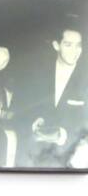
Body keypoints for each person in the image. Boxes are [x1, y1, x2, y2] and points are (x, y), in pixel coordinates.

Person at [12, 22, 88, 167]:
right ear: (56, 45)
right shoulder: (37, 71)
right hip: (34, 153)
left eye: (78, 45)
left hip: (71, 156)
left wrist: (62, 134)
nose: (75, 51)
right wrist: (34, 120)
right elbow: (21, 108)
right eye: (68, 45)